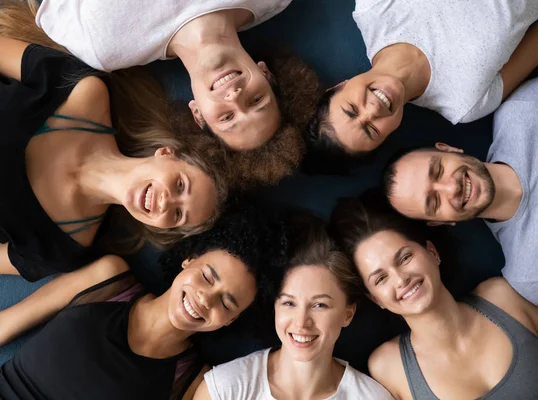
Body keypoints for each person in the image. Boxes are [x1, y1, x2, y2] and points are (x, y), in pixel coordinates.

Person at [382, 24, 538, 354]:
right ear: (441, 223)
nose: (450, 187)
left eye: (438, 170)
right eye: (433, 201)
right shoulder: (529, 274)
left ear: (449, 149)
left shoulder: (523, 113)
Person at [0, 22, 227, 282]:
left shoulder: (64, 250)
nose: (166, 202)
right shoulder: (85, 93)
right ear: (166, 153)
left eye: (177, 215)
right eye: (179, 185)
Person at [329, 191, 538, 399]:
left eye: (405, 257)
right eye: (381, 278)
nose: (401, 279)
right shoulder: (387, 366)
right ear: (376, 298)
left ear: (432, 253)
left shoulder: (501, 296)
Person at [0, 204, 287, 400]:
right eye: (208, 277)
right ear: (189, 259)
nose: (205, 299)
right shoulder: (108, 278)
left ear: (232, 319)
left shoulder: (192, 382)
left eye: (227, 302)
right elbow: (9, 322)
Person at [36, 0, 321, 187]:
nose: (234, 97)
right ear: (267, 74)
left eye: (226, 117)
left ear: (197, 113)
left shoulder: (104, 48)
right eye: (257, 100)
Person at [305, 0, 538, 172]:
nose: (373, 110)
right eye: (371, 130)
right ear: (386, 137)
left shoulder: (373, 11)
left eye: (352, 110)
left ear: (338, 87)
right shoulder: (465, 104)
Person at [193, 214, 393, 399]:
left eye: (319, 305)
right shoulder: (223, 389)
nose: (301, 322)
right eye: (289, 303)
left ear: (347, 314)